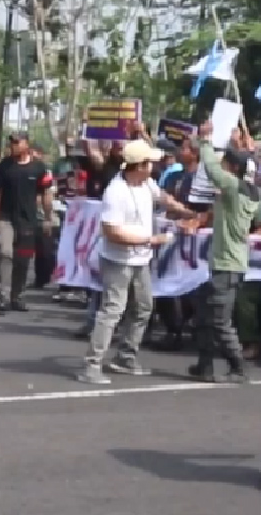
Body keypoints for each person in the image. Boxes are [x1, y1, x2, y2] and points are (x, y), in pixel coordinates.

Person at [77, 140, 193, 384]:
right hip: (117, 260)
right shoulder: (116, 192)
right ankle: (92, 365)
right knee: (112, 310)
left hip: (140, 259)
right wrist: (151, 239)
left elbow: (162, 197)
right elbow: (112, 232)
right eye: (149, 162)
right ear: (139, 165)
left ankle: (125, 356)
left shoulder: (145, 182)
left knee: (143, 307)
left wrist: (187, 213)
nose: (153, 165)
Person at [189, 123, 261, 383]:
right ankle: (204, 365)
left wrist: (206, 141)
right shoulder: (244, 189)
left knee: (220, 320)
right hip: (226, 263)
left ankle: (238, 368)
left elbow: (211, 169)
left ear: (232, 168)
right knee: (207, 316)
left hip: (227, 265)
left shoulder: (233, 188)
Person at [0, 131, 54, 313]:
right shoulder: (4, 167)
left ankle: (18, 296)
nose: (13, 146)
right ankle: (3, 297)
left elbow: (46, 194)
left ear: (26, 144)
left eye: (17, 142)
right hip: (5, 218)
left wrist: (48, 219)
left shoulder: (39, 168)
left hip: (28, 221)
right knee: (5, 253)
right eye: (11, 143)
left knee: (23, 259)